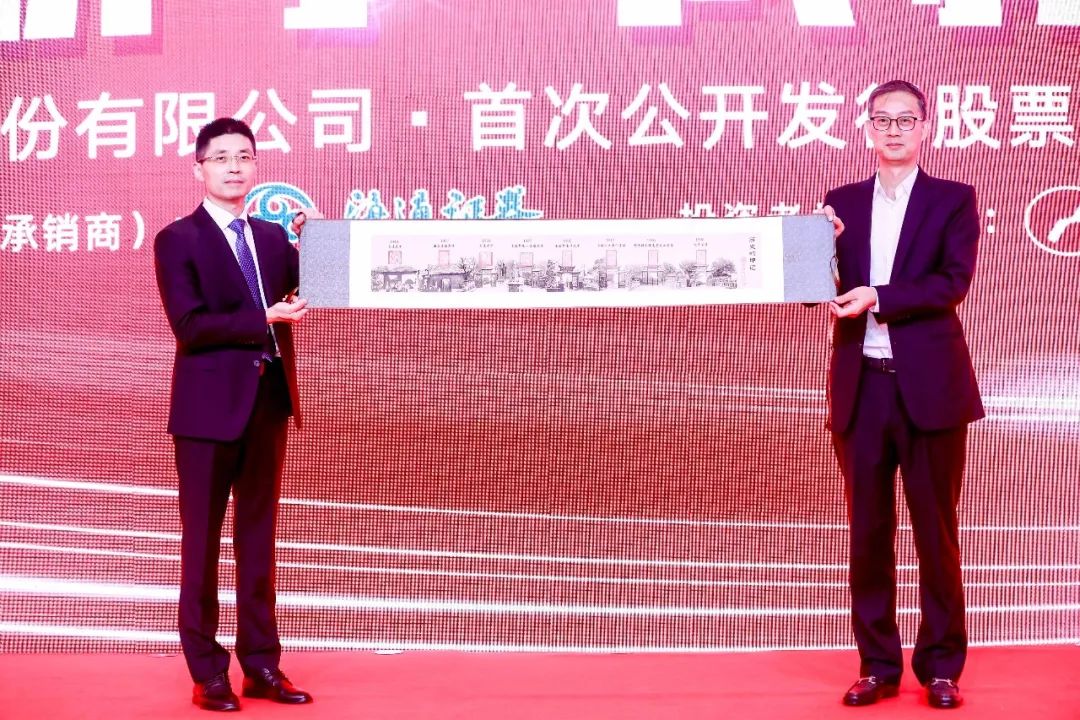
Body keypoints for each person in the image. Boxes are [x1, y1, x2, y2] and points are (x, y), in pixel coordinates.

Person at [820, 80, 983, 710]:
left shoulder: (953, 199)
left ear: (925, 128)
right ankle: (878, 665)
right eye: (882, 120)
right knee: (868, 533)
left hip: (930, 390)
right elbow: (819, 291)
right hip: (861, 389)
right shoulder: (841, 203)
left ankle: (941, 667)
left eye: (905, 119)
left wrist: (880, 297)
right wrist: (818, 248)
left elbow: (952, 282)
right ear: (867, 129)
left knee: (935, 533)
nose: (894, 130)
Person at [154, 117, 312, 712]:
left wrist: (316, 242)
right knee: (202, 543)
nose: (234, 167)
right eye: (220, 157)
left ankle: (262, 666)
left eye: (244, 156)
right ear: (199, 168)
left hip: (268, 404)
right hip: (205, 414)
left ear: (255, 166)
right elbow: (191, 327)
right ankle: (207, 673)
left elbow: (313, 286)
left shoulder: (271, 238)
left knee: (258, 540)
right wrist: (263, 318)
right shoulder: (178, 239)